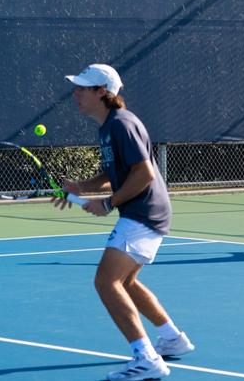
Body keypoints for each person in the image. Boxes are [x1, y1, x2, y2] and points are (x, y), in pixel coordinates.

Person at [53, 63, 194, 380]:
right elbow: (117, 172)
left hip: (143, 213)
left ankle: (147, 358)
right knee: (126, 282)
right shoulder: (108, 126)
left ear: (102, 92)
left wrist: (107, 203)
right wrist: (82, 188)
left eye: (82, 88)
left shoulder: (121, 124)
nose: (75, 93)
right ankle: (172, 338)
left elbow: (143, 173)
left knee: (106, 282)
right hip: (147, 212)